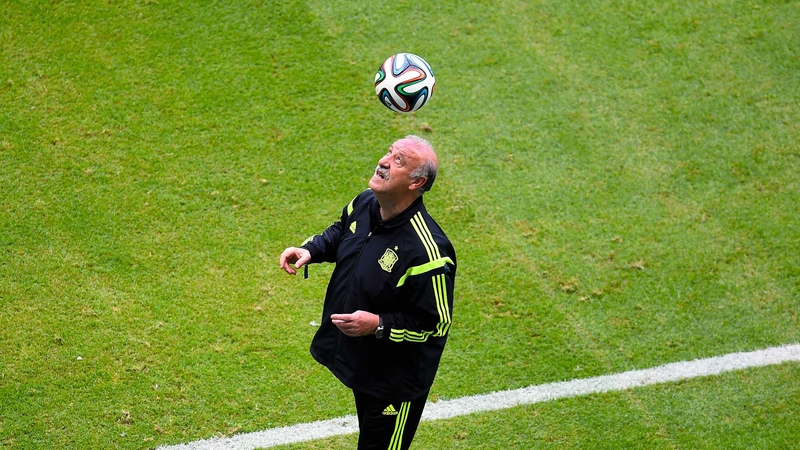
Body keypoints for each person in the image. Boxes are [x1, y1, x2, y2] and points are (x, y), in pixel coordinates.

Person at [279, 135, 457, 450]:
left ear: (416, 183)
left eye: (398, 160)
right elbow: (343, 230)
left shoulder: (429, 253)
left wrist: (377, 324)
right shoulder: (366, 202)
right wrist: (311, 249)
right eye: (389, 152)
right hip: (363, 360)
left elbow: (435, 324)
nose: (384, 162)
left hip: (395, 383)